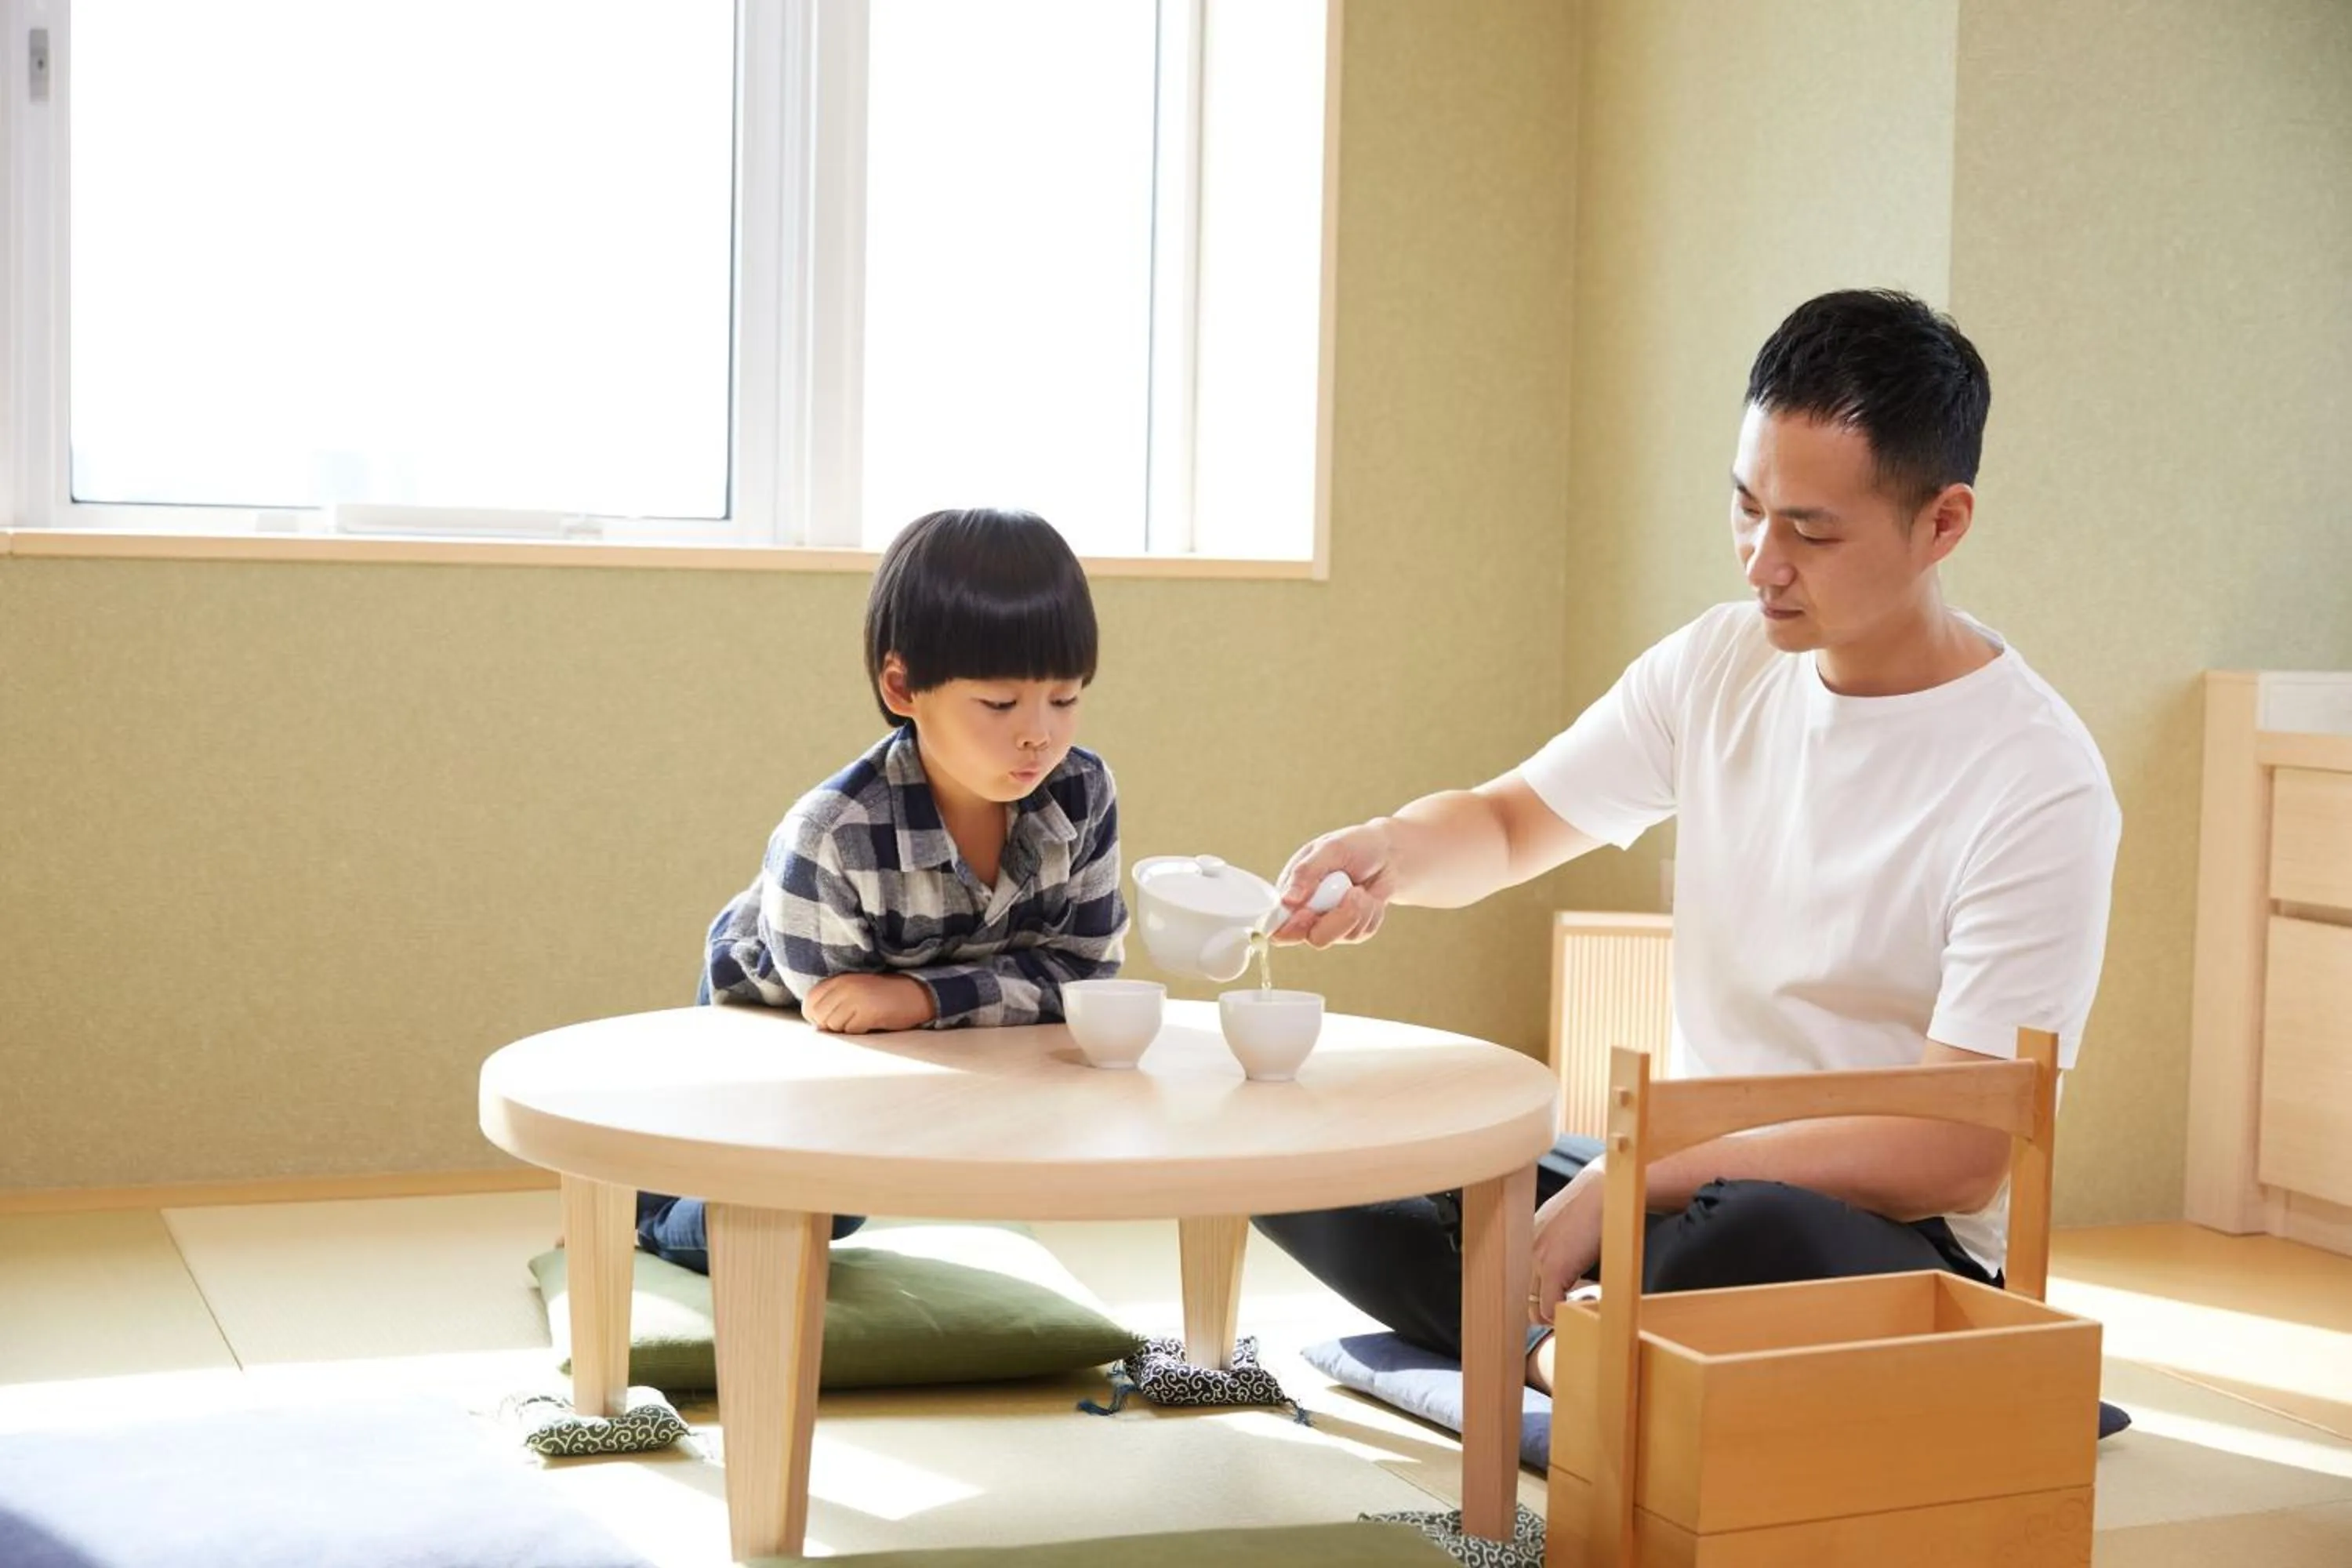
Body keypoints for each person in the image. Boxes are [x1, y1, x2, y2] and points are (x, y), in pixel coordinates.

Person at [1256, 289, 2121, 1394]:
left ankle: (1567, 1333)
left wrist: (1631, 1177)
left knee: (1747, 1237)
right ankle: (1577, 1349)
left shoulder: (2036, 779)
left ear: (1943, 524)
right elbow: (1513, 822)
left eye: (1811, 530)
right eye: (1747, 508)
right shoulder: (1722, 662)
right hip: (1671, 1177)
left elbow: (1952, 1153)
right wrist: (1389, 851)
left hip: (1872, 1237)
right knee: (1321, 1152)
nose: (1762, 563)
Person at [636, 506, 1128, 1273]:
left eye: (1064, 699)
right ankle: (646, 1211)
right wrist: (928, 1003)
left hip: (918, 1025)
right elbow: (837, 1020)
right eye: (999, 704)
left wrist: (920, 998)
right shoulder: (832, 832)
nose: (1038, 732)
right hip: (772, 1023)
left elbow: (1088, 975)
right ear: (902, 686)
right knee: (826, 1197)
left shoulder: (1083, 791)